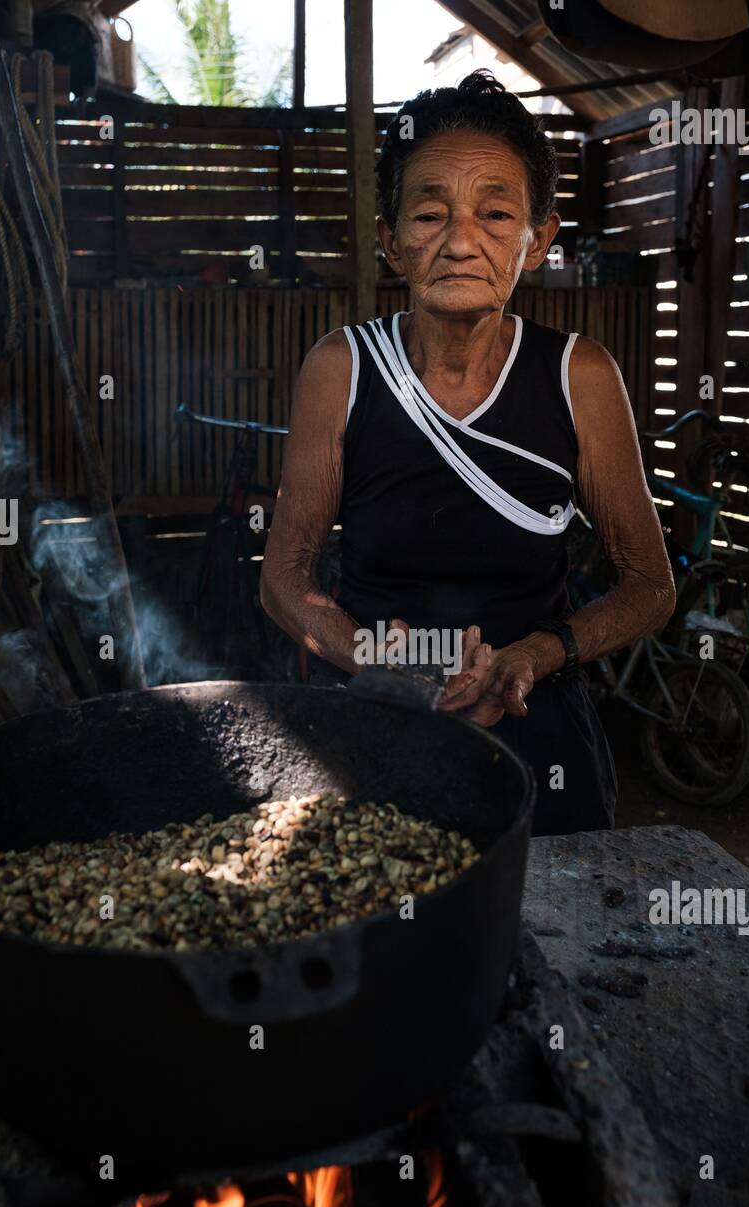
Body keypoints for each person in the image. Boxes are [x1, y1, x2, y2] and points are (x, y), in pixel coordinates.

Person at [260, 71, 675, 835]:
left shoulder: (579, 376)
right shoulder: (342, 368)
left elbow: (650, 585)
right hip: (382, 717)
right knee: (376, 893)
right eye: (429, 214)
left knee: (555, 905)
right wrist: (379, 661)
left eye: (495, 213)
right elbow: (283, 579)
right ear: (390, 239)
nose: (458, 242)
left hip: (535, 717)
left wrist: (534, 656)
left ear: (537, 240)